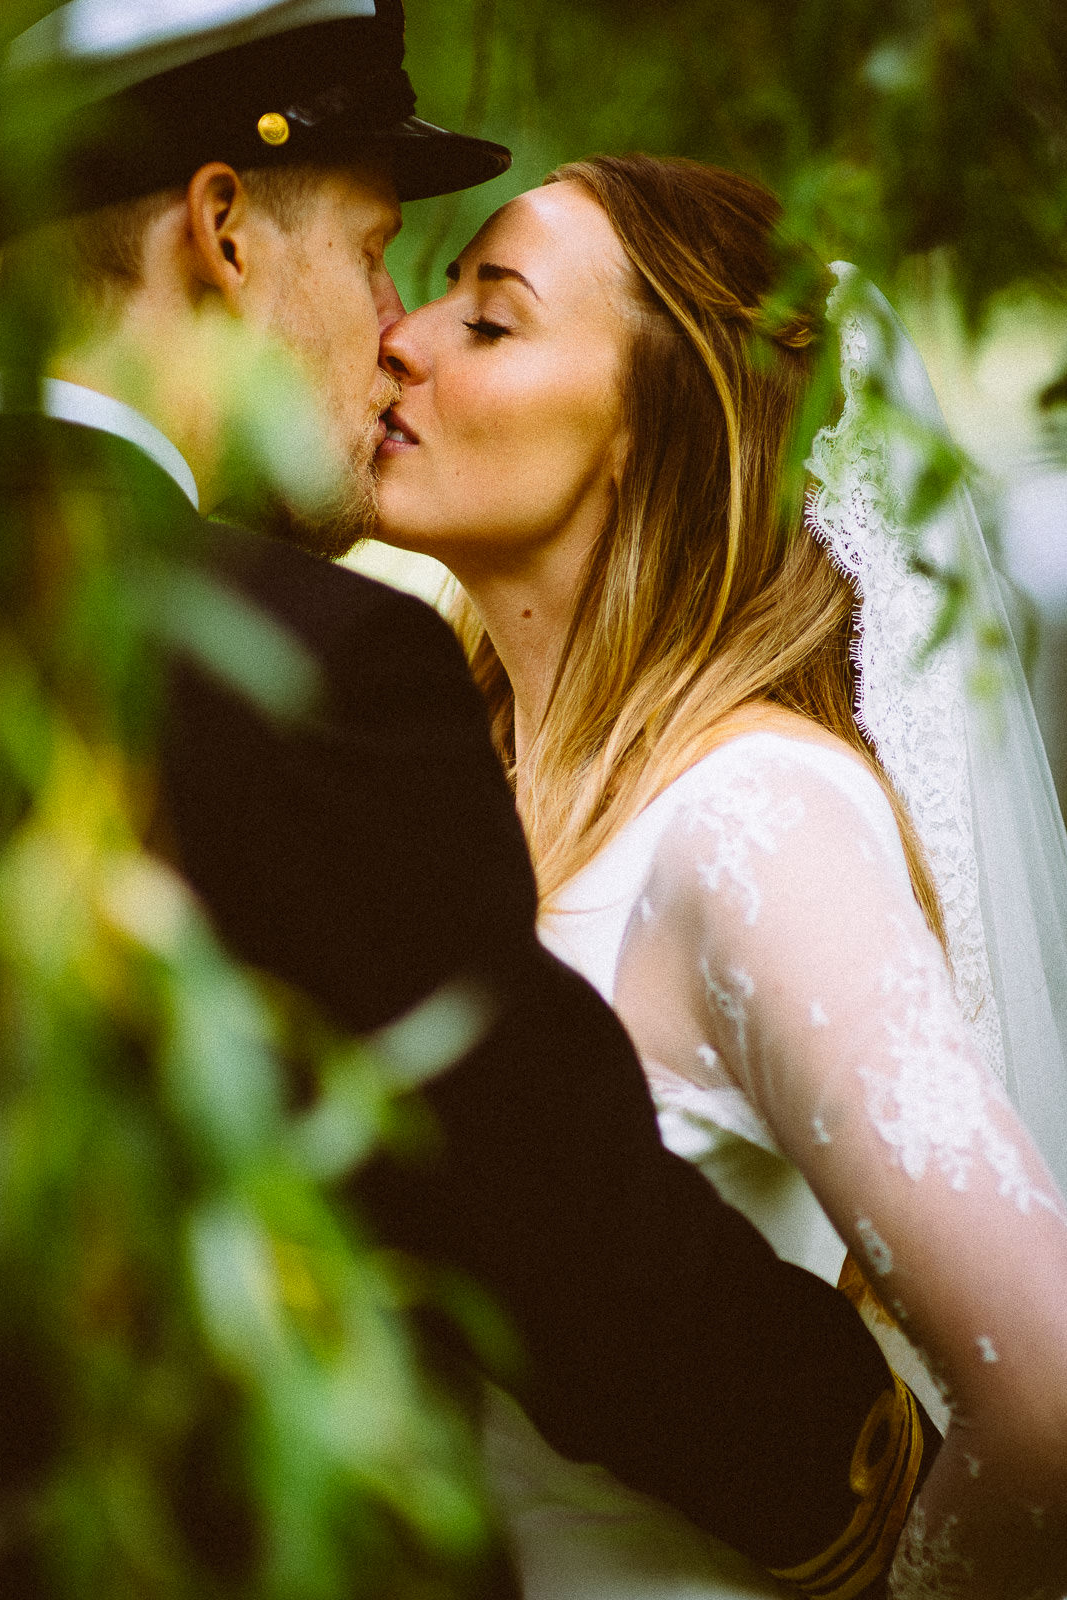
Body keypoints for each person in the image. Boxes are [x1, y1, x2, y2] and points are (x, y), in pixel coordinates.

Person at [0, 7, 941, 1598]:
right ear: (223, 233)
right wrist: (890, 1485)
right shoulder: (303, 672)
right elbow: (563, 1236)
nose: (395, 331)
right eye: (387, 254)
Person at [373, 153, 1067, 1598]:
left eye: (490, 321)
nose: (404, 338)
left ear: (662, 419)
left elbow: (1049, 1400)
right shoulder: (444, 781)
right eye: (435, 290)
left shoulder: (754, 821)